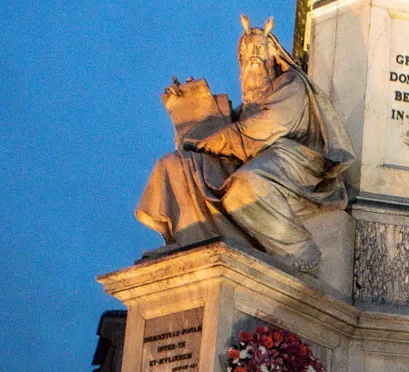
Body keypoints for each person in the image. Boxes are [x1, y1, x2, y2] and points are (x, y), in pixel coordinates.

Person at [137, 15, 353, 272]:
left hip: (294, 161)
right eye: (247, 52)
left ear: (272, 56)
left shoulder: (291, 84)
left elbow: (266, 126)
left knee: (244, 189)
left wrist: (216, 140)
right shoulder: (245, 107)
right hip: (250, 159)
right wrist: (187, 107)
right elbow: (219, 133)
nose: (253, 56)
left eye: (259, 50)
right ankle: (183, 239)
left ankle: (300, 250)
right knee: (174, 164)